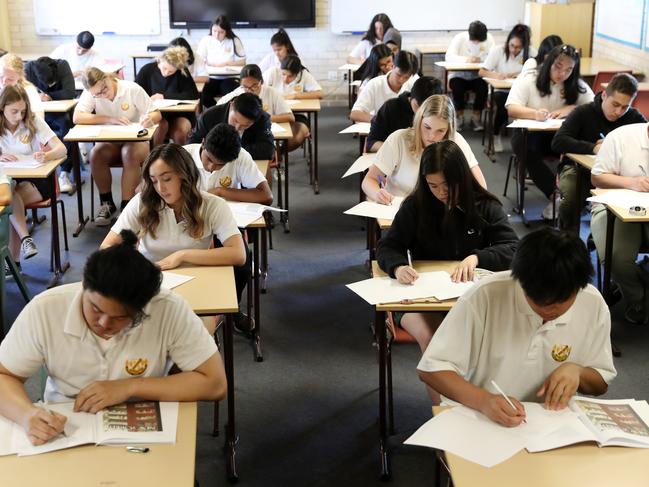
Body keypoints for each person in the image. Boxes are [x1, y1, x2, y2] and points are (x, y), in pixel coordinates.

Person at [0, 229, 227, 445]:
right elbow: (4, 376)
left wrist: (130, 387)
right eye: (95, 309)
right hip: (66, 424)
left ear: (141, 309)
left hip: (141, 423)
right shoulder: (45, 309)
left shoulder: (167, 308)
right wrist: (26, 415)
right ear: (84, 286)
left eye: (120, 318)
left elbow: (215, 384)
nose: (103, 324)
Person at [417, 227, 616, 424]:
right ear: (519, 280)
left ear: (579, 288)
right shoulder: (485, 295)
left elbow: (601, 384)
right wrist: (484, 401)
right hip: (480, 416)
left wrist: (578, 372)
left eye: (560, 302)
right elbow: (431, 368)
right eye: (538, 300)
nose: (548, 311)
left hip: (550, 422)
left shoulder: (592, 303)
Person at [376, 141, 518, 384]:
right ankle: (443, 410)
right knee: (433, 341)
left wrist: (477, 257)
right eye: (433, 185)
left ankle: (476, 402)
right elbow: (388, 246)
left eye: (447, 185)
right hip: (423, 297)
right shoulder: (415, 206)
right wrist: (398, 266)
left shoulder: (484, 206)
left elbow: (514, 249)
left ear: (461, 178)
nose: (441, 192)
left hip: (471, 298)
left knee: (491, 343)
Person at [101, 143, 248, 332]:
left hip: (198, 283)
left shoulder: (213, 205)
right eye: (153, 181)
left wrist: (182, 256)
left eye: (167, 179)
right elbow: (106, 248)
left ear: (184, 176)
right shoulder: (142, 203)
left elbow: (238, 254)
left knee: (195, 338)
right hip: (151, 284)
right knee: (144, 338)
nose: (160, 188)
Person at [505, 44, 594, 220]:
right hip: (529, 134)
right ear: (548, 62)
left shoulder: (576, 85)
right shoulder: (530, 78)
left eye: (569, 70)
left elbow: (594, 105)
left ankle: (578, 196)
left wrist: (572, 108)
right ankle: (556, 195)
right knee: (525, 148)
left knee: (584, 145)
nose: (562, 74)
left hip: (559, 137)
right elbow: (511, 108)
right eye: (558, 67)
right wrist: (534, 114)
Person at [552, 73, 645, 231]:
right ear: (604, 95)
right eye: (615, 104)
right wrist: (593, 148)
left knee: (631, 203)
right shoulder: (583, 112)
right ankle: (567, 237)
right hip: (578, 170)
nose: (618, 111)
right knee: (572, 200)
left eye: (625, 107)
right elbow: (558, 141)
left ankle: (600, 239)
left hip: (619, 174)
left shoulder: (634, 117)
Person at [73, 67, 162, 225]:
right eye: (97, 95)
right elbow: (77, 117)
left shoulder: (131, 89)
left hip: (136, 141)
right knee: (96, 154)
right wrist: (109, 118)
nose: (103, 95)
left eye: (104, 89)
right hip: (111, 141)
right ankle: (107, 203)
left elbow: (156, 114)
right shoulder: (91, 92)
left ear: (107, 78)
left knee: (129, 153)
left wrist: (149, 119)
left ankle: (127, 206)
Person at [362, 94, 487, 204]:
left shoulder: (455, 140)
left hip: (443, 211)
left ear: (449, 129)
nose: (432, 136)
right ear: (419, 120)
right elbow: (369, 180)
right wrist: (377, 194)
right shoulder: (398, 139)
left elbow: (480, 185)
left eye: (440, 131)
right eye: (427, 127)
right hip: (402, 210)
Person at [0, 85, 67, 272]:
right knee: (9, 191)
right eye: (14, 111)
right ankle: (24, 242)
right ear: (2, 107)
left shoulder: (32, 120)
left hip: (36, 182)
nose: (19, 116)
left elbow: (62, 149)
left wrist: (46, 155)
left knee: (9, 201)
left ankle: (13, 262)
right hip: (9, 182)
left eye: (22, 111)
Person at [590, 122, 649, 324]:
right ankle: (639, 299)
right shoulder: (622, 137)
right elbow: (597, 178)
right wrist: (632, 182)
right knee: (615, 255)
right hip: (613, 205)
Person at [184, 123, 273, 204]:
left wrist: (220, 191)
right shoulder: (182, 155)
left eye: (220, 165)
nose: (211, 167)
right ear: (203, 143)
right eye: (209, 159)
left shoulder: (240, 156)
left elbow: (266, 196)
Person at [479, 24, 534, 152]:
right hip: (500, 90)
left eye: (518, 47)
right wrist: (497, 75)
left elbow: (537, 71)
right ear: (508, 42)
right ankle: (496, 135)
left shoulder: (531, 53)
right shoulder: (498, 51)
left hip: (521, 92)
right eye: (512, 46)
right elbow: (482, 72)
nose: (514, 49)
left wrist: (520, 74)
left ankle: (526, 141)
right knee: (504, 105)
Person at [24, 56, 76, 192]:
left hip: (58, 113)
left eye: (50, 83)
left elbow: (70, 92)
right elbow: (24, 93)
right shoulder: (30, 68)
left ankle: (64, 172)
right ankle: (30, 172)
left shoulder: (62, 65)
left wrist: (48, 96)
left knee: (66, 126)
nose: (47, 85)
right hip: (37, 113)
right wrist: (37, 97)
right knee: (27, 128)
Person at [135, 46, 200, 146]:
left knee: (181, 129)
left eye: (171, 72)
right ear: (159, 61)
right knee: (161, 125)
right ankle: (155, 155)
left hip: (178, 114)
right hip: (155, 113)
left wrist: (164, 96)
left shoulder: (182, 71)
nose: (166, 73)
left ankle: (180, 157)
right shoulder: (147, 70)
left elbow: (193, 94)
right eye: (164, 68)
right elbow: (136, 94)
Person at [188, 92, 275, 160]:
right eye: (235, 120)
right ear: (232, 105)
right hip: (214, 163)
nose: (237, 128)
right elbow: (193, 143)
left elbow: (267, 150)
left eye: (245, 125)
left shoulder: (262, 118)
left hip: (246, 162)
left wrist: (228, 151)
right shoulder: (209, 116)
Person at [367, 76, 443, 152]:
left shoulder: (440, 112)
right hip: (395, 159)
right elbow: (371, 143)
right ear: (412, 96)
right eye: (417, 106)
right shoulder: (390, 107)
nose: (420, 113)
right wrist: (399, 151)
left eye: (426, 110)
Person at [445, 20, 494, 131]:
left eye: (479, 41)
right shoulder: (459, 38)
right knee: (457, 88)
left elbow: (493, 57)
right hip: (459, 75)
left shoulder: (489, 39)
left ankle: (476, 118)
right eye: (474, 41)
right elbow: (449, 56)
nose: (476, 43)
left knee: (483, 88)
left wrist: (481, 59)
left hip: (478, 76)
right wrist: (466, 59)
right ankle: (459, 117)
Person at [350, 50, 419, 123]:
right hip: (382, 130)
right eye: (399, 75)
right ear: (393, 66)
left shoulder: (414, 82)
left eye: (406, 77)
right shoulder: (375, 84)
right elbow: (354, 114)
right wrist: (380, 120)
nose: (401, 80)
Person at [197, 15, 246, 108]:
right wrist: (205, 63)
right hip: (211, 78)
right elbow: (199, 60)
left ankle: (223, 112)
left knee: (232, 95)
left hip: (229, 78)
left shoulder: (234, 41)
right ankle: (217, 111)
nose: (216, 35)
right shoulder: (206, 40)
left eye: (221, 32)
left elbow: (242, 62)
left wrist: (226, 63)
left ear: (226, 31)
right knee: (203, 95)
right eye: (214, 31)